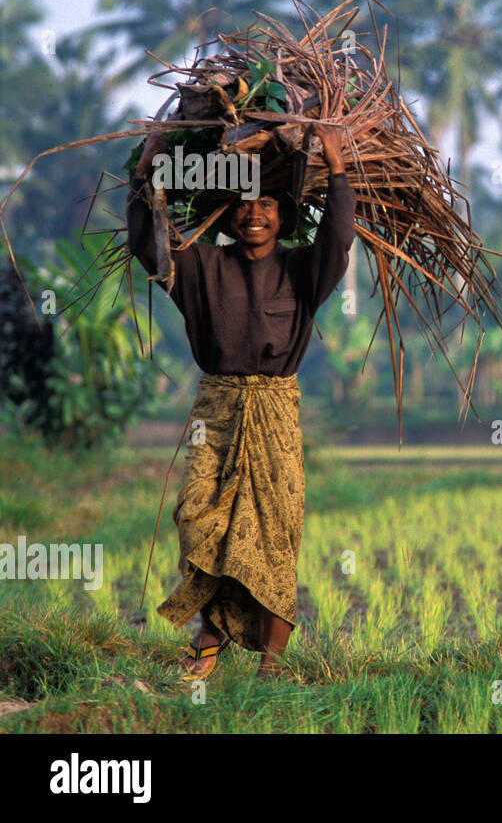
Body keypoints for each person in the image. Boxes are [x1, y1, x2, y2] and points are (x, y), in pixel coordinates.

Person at [126, 123, 355, 681]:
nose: (254, 213)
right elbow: (145, 244)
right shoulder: (202, 267)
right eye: (243, 205)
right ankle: (212, 633)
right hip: (218, 411)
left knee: (274, 534)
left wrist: (336, 164)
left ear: (285, 215)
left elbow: (340, 239)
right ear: (226, 214)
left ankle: (269, 666)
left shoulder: (304, 270)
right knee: (199, 518)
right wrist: (145, 172)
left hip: (276, 410)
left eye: (268, 204)